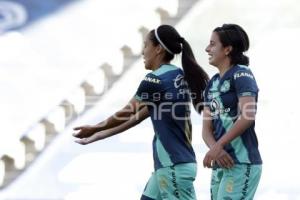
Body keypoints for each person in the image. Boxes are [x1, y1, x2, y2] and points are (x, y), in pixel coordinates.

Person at [73, 24, 209, 200]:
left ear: (158, 49)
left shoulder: (155, 80)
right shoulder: (178, 75)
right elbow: (136, 118)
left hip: (173, 167)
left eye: (146, 45)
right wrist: (99, 135)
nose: (142, 52)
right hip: (171, 166)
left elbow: (126, 112)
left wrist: (95, 128)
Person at [202, 24, 262, 200]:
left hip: (241, 163)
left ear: (227, 49)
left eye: (212, 44)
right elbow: (206, 130)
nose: (207, 49)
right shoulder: (211, 84)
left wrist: (218, 146)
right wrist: (216, 149)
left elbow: (248, 116)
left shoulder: (242, 74)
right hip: (220, 163)